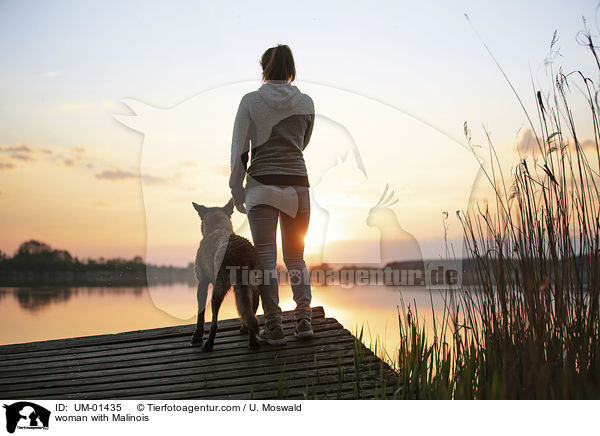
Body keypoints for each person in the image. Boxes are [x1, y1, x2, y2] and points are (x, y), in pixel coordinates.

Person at [229, 44, 315, 345]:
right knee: (296, 258)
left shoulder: (250, 101)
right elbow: (302, 143)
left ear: (263, 68)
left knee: (265, 259)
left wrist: (235, 185)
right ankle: (304, 319)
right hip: (297, 183)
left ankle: (274, 325)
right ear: (291, 69)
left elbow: (240, 147)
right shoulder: (305, 102)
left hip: (262, 183)